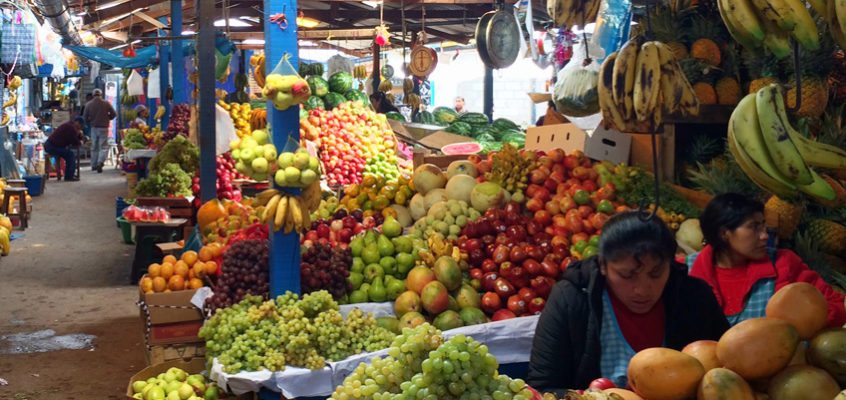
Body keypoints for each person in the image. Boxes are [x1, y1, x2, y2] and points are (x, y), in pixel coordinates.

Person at [528, 211, 729, 395]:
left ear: (672, 263)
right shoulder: (571, 299)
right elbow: (542, 388)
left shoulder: (695, 297)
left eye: (656, 274)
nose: (642, 290)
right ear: (602, 265)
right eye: (626, 275)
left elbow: (727, 370)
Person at [684, 193, 846, 327]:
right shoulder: (683, 271)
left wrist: (805, 316)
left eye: (763, 226)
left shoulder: (784, 264)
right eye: (754, 227)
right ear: (724, 233)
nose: (765, 236)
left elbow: (838, 306)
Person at [83, 88, 116, 173]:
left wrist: (89, 123)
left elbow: (85, 117)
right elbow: (114, 114)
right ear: (101, 94)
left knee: (94, 146)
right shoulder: (106, 103)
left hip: (94, 127)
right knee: (103, 146)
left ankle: (94, 165)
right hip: (104, 127)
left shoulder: (89, 104)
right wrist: (108, 118)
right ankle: (100, 162)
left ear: (93, 95)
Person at [43, 117, 84, 181]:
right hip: (51, 146)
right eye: (80, 125)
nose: (80, 127)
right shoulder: (71, 128)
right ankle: (69, 176)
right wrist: (80, 140)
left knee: (69, 154)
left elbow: (73, 139)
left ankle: (69, 174)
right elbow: (75, 142)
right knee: (70, 155)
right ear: (77, 122)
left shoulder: (70, 126)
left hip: (52, 145)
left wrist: (79, 135)